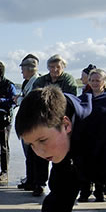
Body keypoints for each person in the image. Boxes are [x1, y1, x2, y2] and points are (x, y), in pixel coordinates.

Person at [28, 54, 79, 197]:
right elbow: (35, 99)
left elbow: (69, 99)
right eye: (51, 67)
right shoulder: (41, 80)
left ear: (63, 67)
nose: (54, 70)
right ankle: (39, 183)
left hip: (61, 121)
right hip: (42, 121)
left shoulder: (68, 80)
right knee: (40, 153)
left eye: (57, 67)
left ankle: (60, 185)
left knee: (61, 155)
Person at [77, 68, 106, 202]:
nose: (95, 83)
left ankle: (100, 192)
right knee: (85, 165)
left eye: (98, 80)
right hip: (88, 135)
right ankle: (84, 192)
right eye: (92, 80)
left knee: (102, 166)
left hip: (105, 136)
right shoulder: (84, 97)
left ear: (104, 82)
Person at [17, 54, 41, 192]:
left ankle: (35, 181)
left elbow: (29, 101)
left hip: (33, 124)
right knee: (29, 155)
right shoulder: (28, 82)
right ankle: (30, 179)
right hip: (27, 123)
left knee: (34, 154)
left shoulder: (36, 82)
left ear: (30, 69)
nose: (21, 72)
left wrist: (18, 100)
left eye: (23, 68)